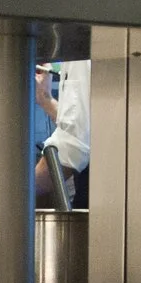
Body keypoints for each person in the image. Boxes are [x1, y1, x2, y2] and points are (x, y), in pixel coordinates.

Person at [35, 60, 90, 206]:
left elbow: (73, 150)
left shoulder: (81, 57)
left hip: (105, 208)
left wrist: (12, 192)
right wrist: (45, 99)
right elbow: (86, 125)